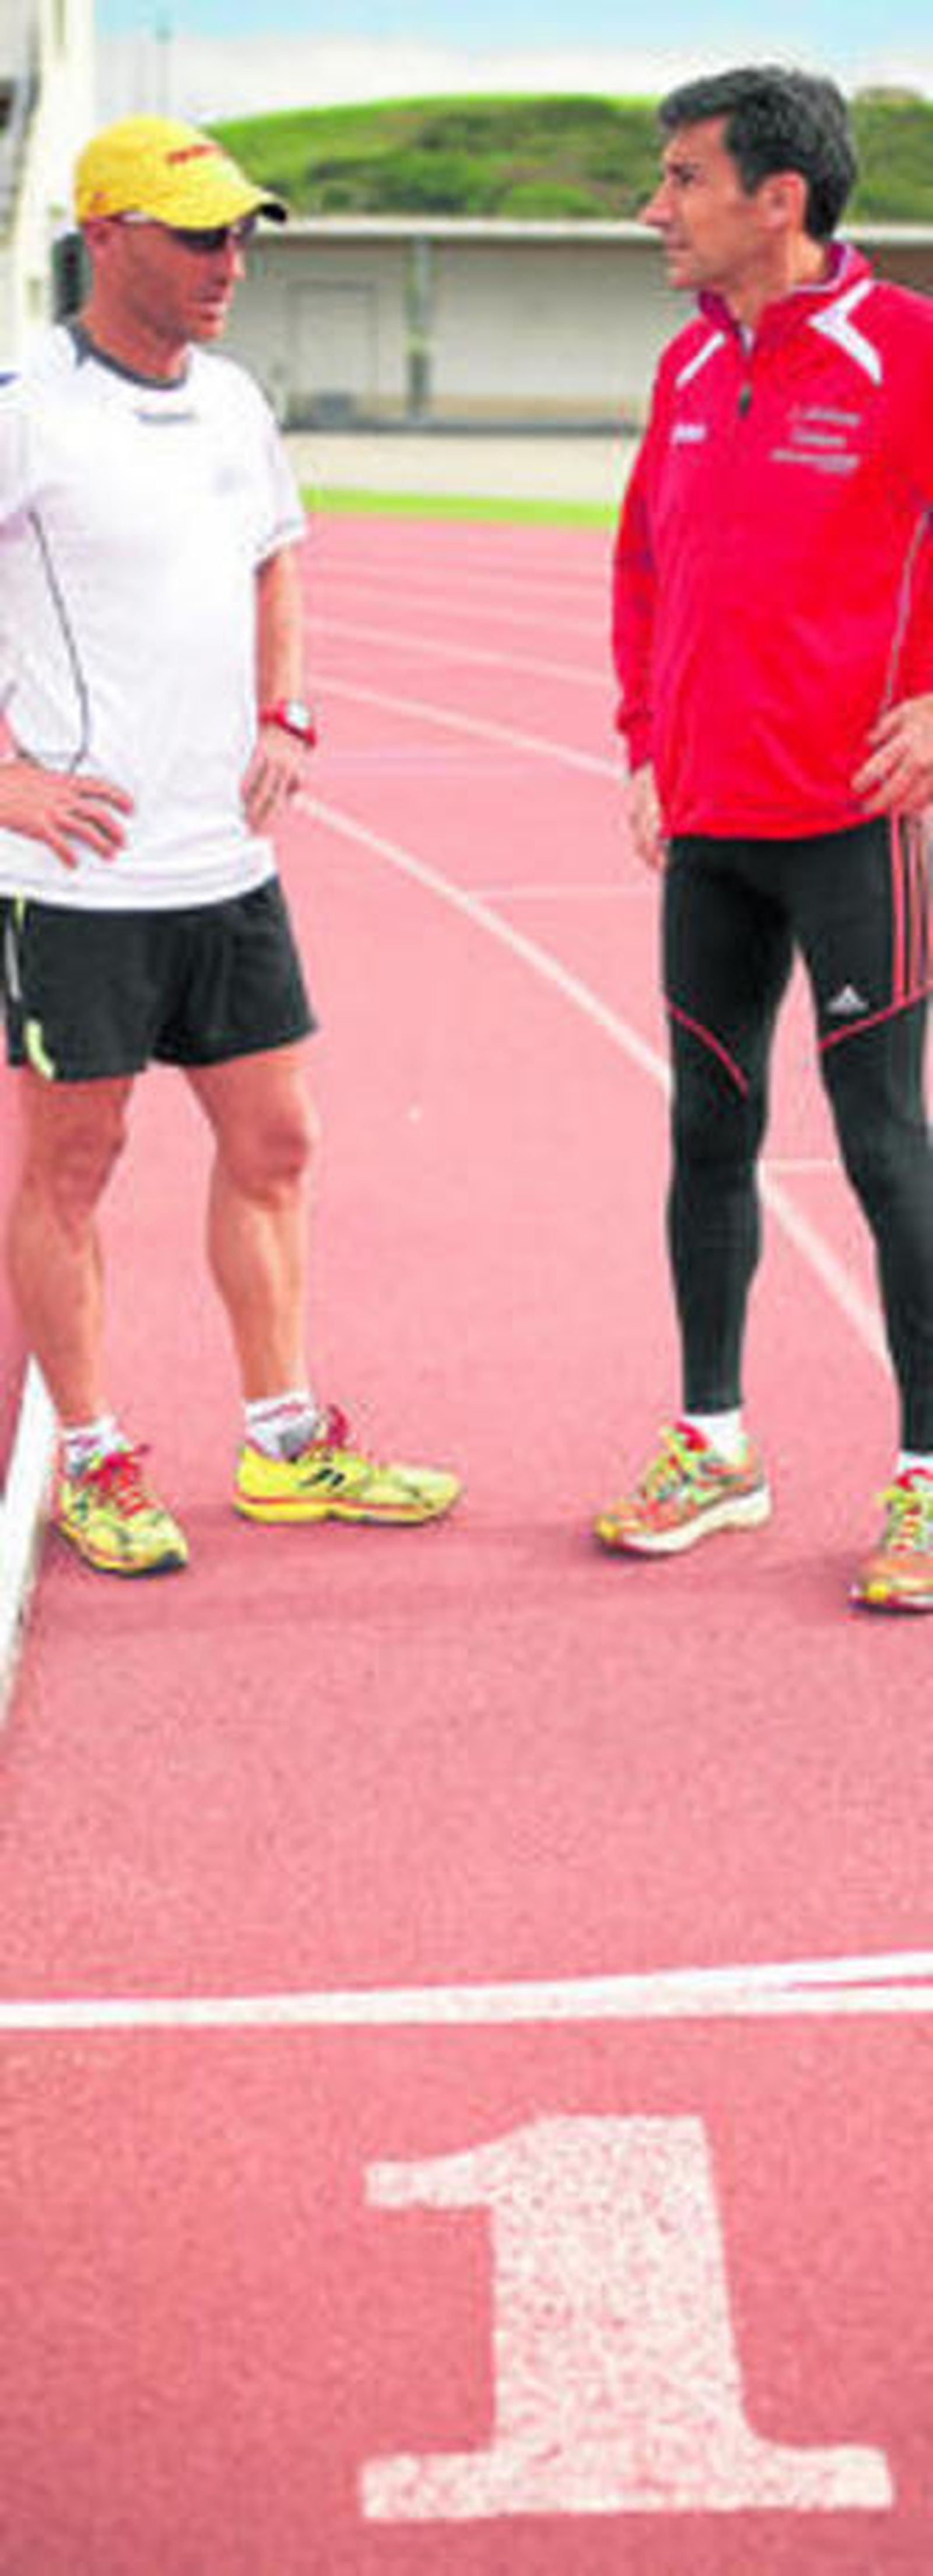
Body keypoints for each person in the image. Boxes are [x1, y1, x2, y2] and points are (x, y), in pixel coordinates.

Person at [0, 113, 460, 1575]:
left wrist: (293, 712)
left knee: (277, 1142)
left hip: (226, 864)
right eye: (200, 234)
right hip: (79, 879)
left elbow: (275, 555)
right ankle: (94, 1450)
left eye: (244, 233)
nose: (231, 262)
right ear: (110, 235)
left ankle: (281, 1442)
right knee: (77, 1162)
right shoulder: (22, 403)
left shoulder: (236, 401)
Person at [596, 65, 933, 1610]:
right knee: (705, 1133)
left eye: (681, 180)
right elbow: (646, 569)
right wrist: (648, 745)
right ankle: (716, 1442)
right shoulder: (681, 370)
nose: (654, 208)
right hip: (712, 828)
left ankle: (928, 1478)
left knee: (883, 1148)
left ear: (778, 199)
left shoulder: (910, 351)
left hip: (860, 826)